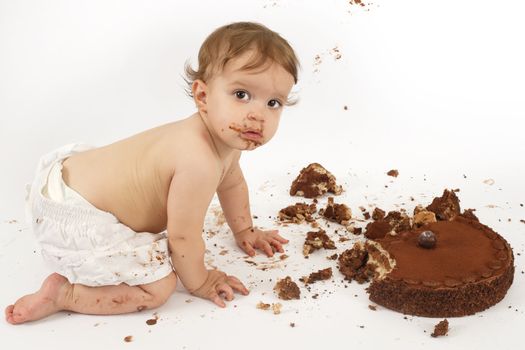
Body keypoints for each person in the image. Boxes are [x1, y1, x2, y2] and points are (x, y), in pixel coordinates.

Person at [5, 21, 300, 324]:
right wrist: (201, 281)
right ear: (203, 96)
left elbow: (232, 182)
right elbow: (182, 237)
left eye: (273, 103)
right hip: (75, 214)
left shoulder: (225, 140)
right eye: (241, 94)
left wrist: (245, 230)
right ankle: (64, 294)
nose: (257, 115)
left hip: (69, 177)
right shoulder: (197, 160)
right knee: (159, 287)